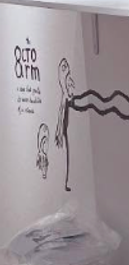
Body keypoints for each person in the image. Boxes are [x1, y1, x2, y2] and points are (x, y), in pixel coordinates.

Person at [53, 58, 75, 192]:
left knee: (68, 148)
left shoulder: (68, 82)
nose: (65, 68)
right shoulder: (64, 86)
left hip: (68, 119)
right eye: (62, 67)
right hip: (65, 120)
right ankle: (66, 182)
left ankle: (67, 181)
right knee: (66, 148)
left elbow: (70, 95)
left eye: (65, 66)